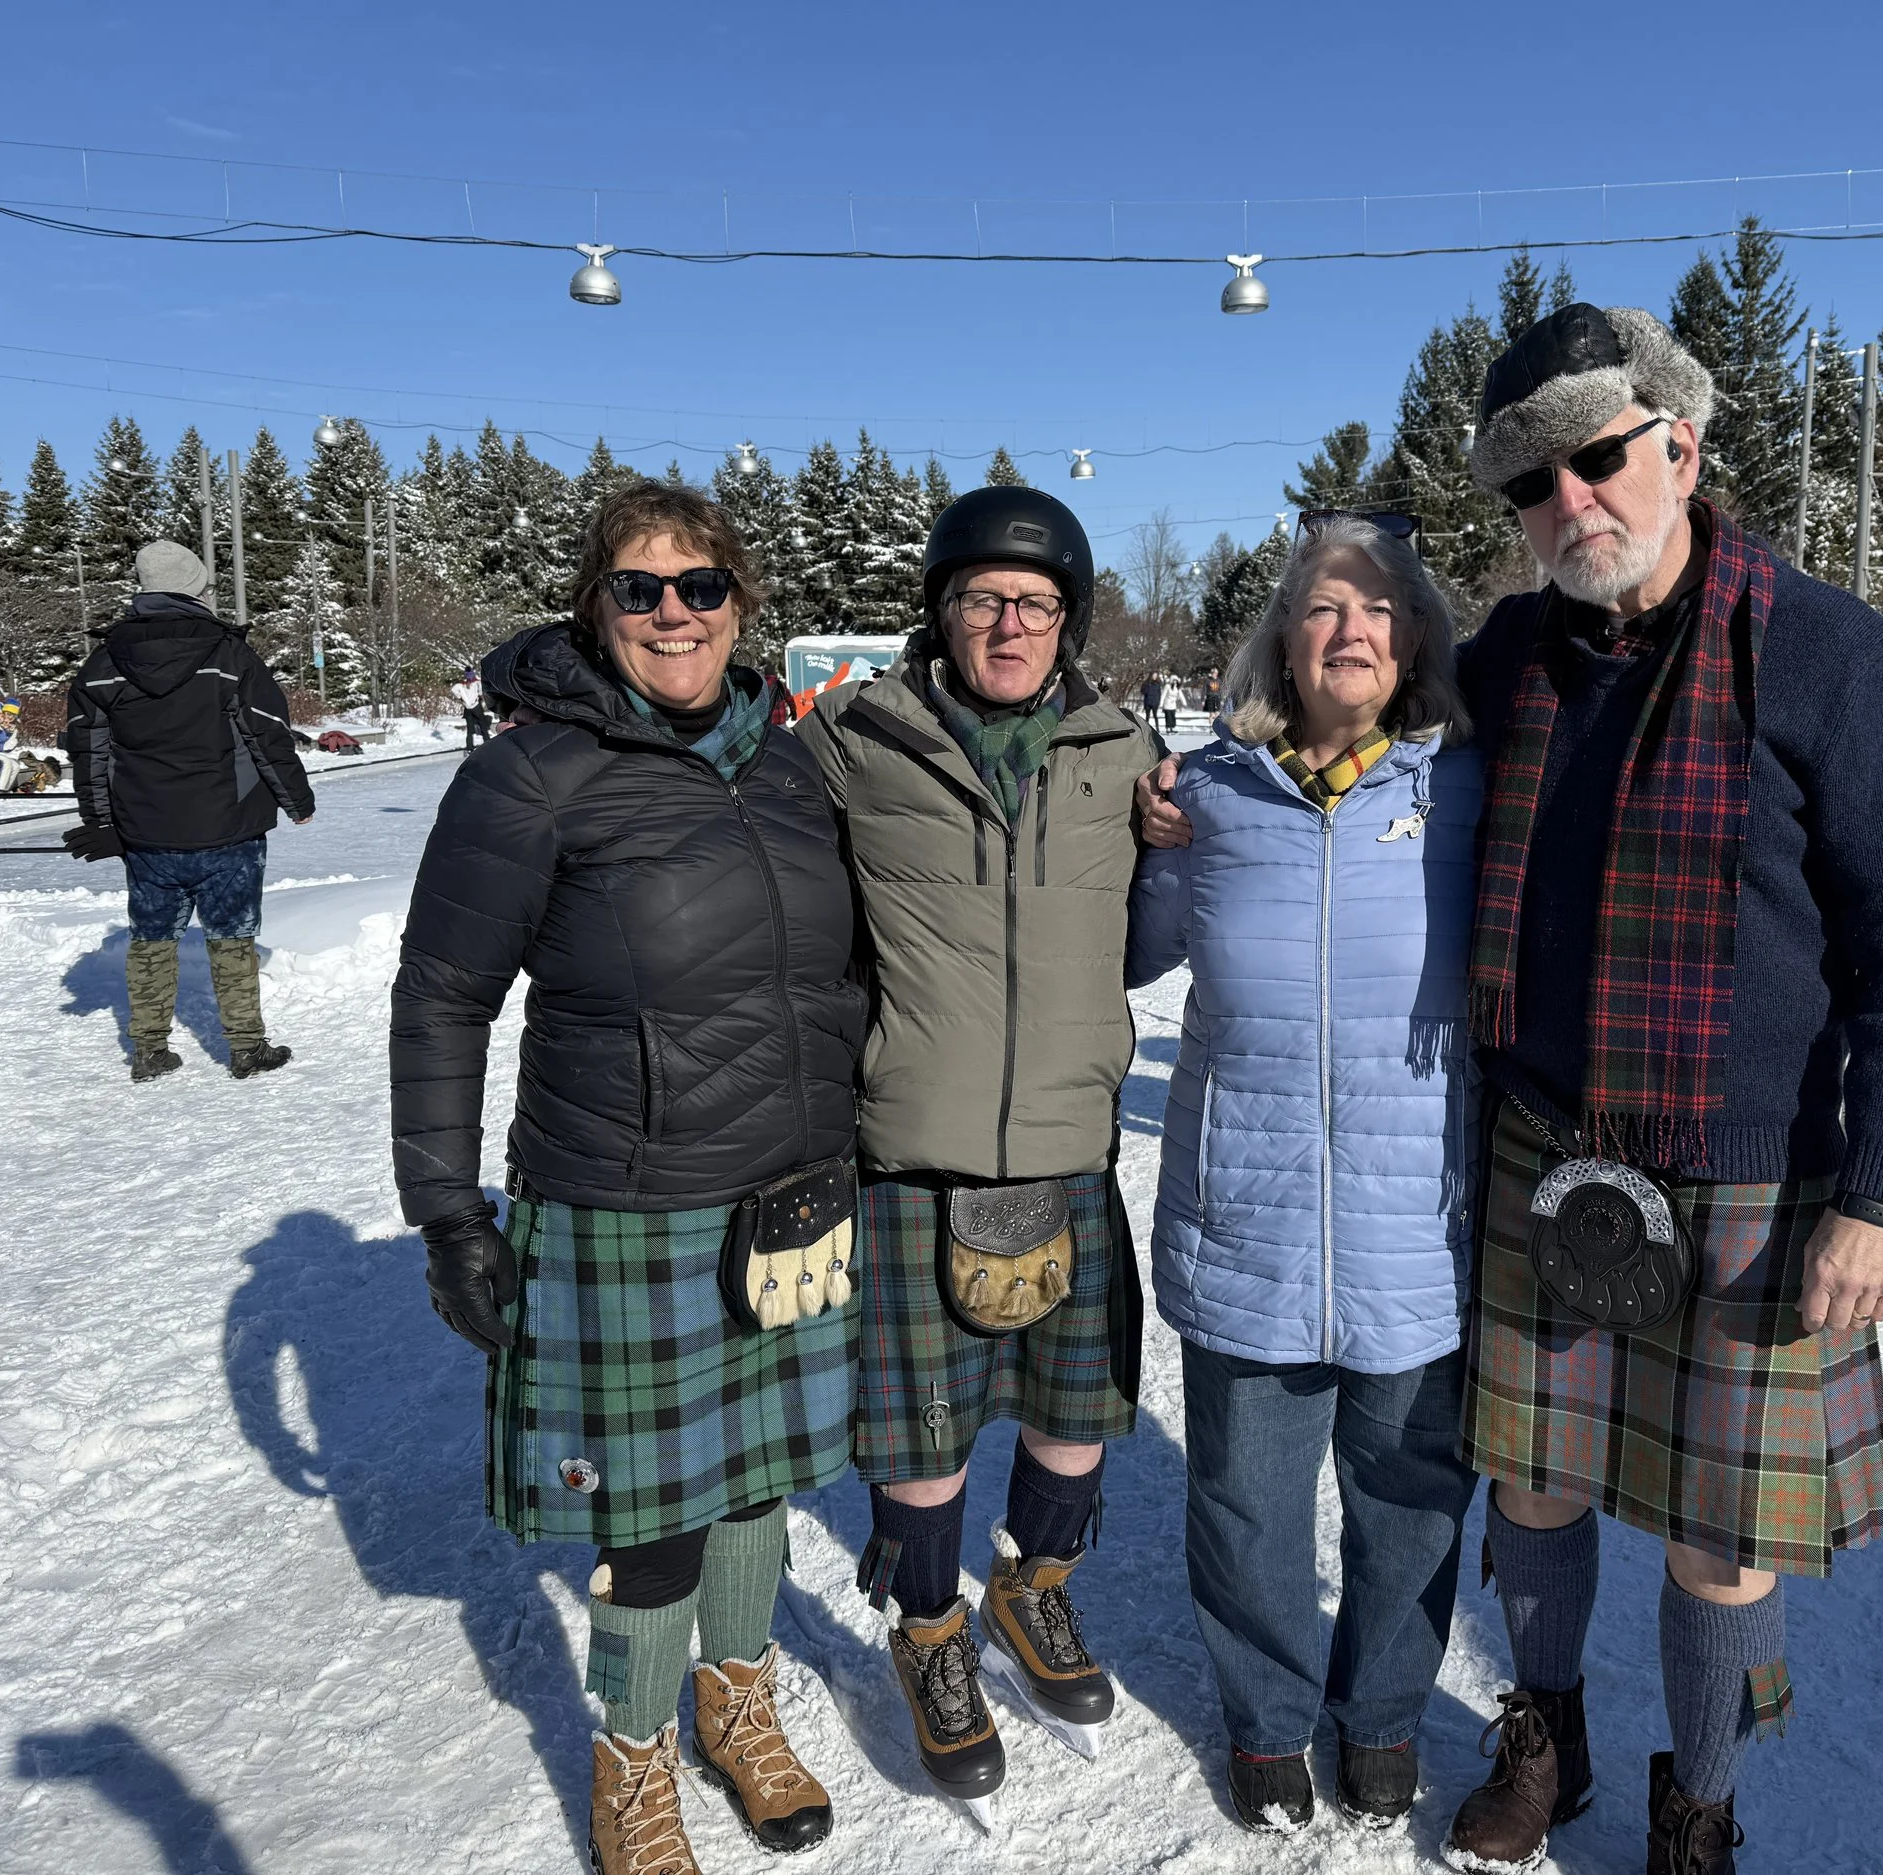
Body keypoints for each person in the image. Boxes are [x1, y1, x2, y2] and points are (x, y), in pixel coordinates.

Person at [1439, 304, 1883, 1874]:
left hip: (1747, 1177)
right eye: (1533, 483)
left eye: (1597, 456)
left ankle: (1702, 1799)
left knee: (1717, 1543)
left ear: (1681, 437)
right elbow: (1367, 738)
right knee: (1531, 1482)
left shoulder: (1825, 651)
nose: (1570, 503)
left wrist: (1876, 1191)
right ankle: (1546, 1732)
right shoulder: (1508, 657)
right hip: (1548, 1146)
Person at [391, 483, 865, 1875]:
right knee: (651, 1518)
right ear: (595, 607)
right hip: (626, 1201)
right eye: (641, 588)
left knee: (756, 1487)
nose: (673, 612)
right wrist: (445, 1207)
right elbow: (440, 995)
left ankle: (739, 1705)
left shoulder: (792, 764)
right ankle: (635, 1760)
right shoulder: (531, 774)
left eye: (701, 585)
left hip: (790, 1193)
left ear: (743, 603)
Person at [796, 486, 1160, 1809]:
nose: (1011, 622)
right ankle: (933, 1630)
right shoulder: (852, 738)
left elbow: (1166, 907)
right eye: (986, 597)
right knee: (927, 1429)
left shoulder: (1122, 751)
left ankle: (1035, 1587)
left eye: (1038, 602)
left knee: (1073, 1421)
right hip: (914, 1145)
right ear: (941, 609)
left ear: (1067, 623)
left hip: (1069, 1140)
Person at [1124, 514, 1486, 1835]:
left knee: (1410, 1505)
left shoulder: (1468, 793)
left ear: (1416, 643)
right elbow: (1130, 953)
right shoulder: (1211, 793)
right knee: (1246, 1503)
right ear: (1283, 638)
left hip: (1418, 1228)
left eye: (1379, 609)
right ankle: (1270, 1720)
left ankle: (1382, 1711)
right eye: (1324, 609)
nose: (1350, 631)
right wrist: (1143, 833)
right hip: (1249, 1217)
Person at [61, 541, 315, 1083]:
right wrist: (297, 799)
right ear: (196, 588)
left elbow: (89, 749)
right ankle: (246, 1048)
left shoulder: (103, 664)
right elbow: (266, 732)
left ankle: (149, 1051)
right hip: (230, 824)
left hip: (146, 830)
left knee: (152, 939)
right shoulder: (229, 655)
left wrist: (101, 821)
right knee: (232, 937)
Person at [450, 665, 492, 749]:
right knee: (483, 725)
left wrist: (460, 697)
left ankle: (469, 747)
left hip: (467, 708)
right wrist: (480, 695)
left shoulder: (461, 685)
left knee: (470, 728)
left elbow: (453, 689)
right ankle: (488, 744)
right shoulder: (476, 683)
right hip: (476, 707)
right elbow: (482, 688)